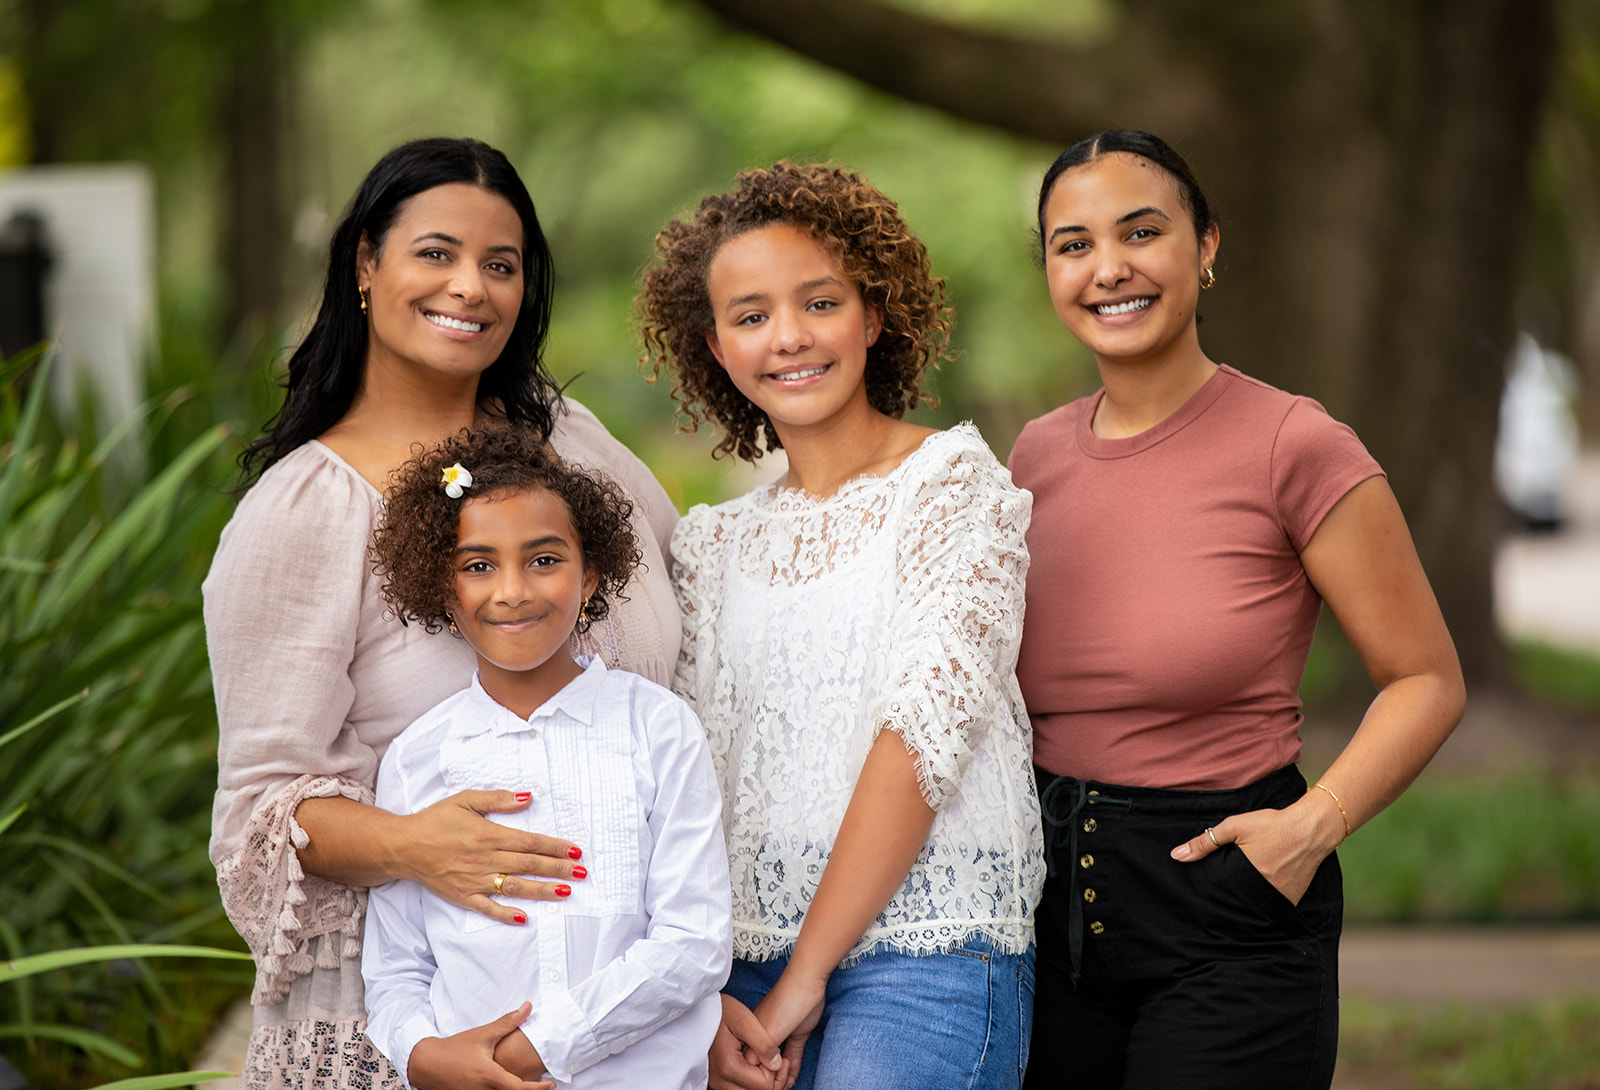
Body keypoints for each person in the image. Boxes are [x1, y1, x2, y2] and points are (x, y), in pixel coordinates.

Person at [204, 137, 683, 1088]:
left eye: (499, 265)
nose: (470, 287)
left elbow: (696, 599)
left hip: (625, 1005)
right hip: (415, 1019)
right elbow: (258, 811)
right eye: (436, 253)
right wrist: (415, 843)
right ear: (365, 267)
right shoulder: (308, 510)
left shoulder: (570, 446)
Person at [1009, 129, 1467, 1090]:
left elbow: (1425, 678)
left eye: (1142, 232)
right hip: (1043, 903)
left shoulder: (1294, 444)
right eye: (1074, 243)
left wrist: (1313, 826)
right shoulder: (1032, 459)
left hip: (1229, 901)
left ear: (1206, 246)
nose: (1110, 268)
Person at [637, 161, 1045, 1090]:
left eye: (818, 302)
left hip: (924, 950)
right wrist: (692, 997)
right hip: (734, 966)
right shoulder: (712, 544)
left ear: (872, 312)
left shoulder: (954, 489)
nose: (788, 337)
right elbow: (687, 779)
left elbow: (922, 741)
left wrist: (809, 972)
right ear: (716, 349)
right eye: (750, 317)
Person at [360, 427, 731, 1089]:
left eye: (543, 560)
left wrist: (535, 1049)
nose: (512, 591)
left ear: (590, 575)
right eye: (479, 566)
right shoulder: (418, 760)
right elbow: (396, 971)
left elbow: (695, 943)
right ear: (444, 590)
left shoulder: (657, 728)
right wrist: (424, 1055)